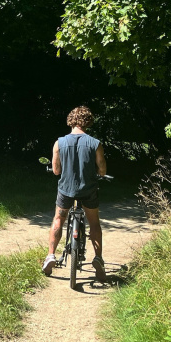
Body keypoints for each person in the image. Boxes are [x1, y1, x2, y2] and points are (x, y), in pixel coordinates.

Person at [42, 106, 108, 282]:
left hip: (66, 190)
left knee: (58, 219)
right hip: (89, 190)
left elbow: (56, 170)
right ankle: (98, 258)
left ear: (71, 121)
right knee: (94, 223)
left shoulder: (59, 143)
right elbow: (102, 169)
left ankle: (50, 256)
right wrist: (99, 172)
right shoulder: (95, 144)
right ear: (88, 122)